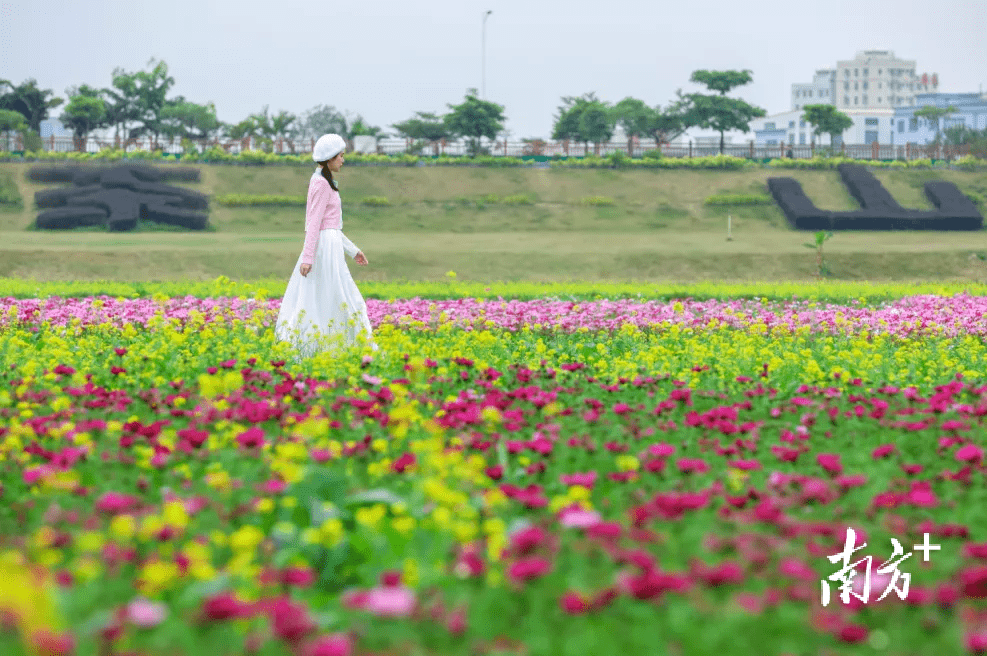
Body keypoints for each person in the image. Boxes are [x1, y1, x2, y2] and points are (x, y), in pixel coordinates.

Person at [275, 133, 375, 356]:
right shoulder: (320, 184)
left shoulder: (325, 182)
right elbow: (314, 223)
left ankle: (333, 345)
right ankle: (324, 345)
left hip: (332, 245)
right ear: (329, 158)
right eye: (340, 156)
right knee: (334, 295)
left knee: (335, 294)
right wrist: (308, 257)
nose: (343, 160)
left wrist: (353, 250)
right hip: (323, 249)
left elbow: (332, 227)